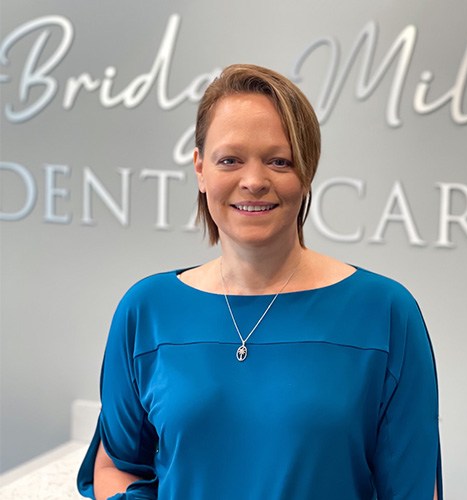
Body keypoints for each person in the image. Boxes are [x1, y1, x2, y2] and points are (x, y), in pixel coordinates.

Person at [77, 64, 442, 499]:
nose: (253, 181)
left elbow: (415, 491)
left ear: (306, 172)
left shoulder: (385, 313)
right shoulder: (147, 310)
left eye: (278, 161)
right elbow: (116, 464)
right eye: (230, 160)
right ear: (199, 168)